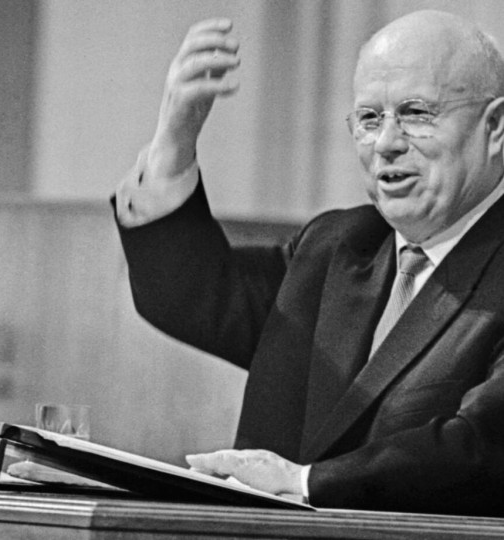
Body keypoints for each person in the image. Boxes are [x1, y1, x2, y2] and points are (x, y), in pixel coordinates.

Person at [114, 10, 504, 516]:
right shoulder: (337, 246)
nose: (387, 143)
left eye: (415, 113)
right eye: (369, 118)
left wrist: (303, 483)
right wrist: (175, 139)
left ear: (495, 127)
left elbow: (482, 448)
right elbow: (188, 295)